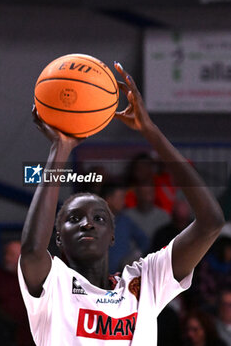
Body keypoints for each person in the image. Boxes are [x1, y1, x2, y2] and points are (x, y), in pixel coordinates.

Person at [18, 62, 225, 346]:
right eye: (73, 218)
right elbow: (31, 251)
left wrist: (150, 131)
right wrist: (60, 148)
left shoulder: (145, 280)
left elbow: (211, 223)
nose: (87, 222)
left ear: (113, 236)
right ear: (58, 237)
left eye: (99, 218)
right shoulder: (53, 284)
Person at [100, 182, 149, 273]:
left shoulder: (125, 221)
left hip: (120, 276)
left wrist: (134, 256)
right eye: (120, 198)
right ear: (108, 199)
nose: (124, 202)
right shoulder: (94, 221)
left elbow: (144, 240)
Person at [0, 240, 35, 346]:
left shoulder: (34, 278)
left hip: (29, 334)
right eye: (6, 254)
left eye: (12, 255)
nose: (7, 258)